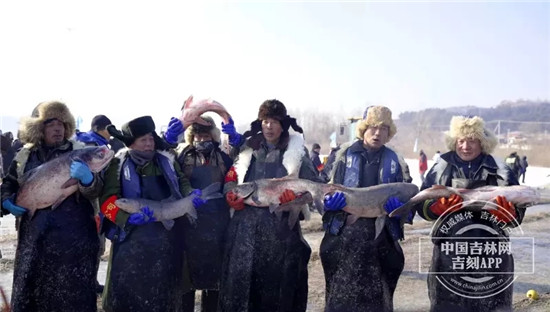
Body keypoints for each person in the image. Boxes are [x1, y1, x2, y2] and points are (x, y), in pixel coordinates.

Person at [415, 115, 525, 312]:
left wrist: (508, 214)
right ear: (454, 142)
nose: (466, 146)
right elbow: (421, 204)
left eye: (472, 140)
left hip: (492, 253)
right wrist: (435, 208)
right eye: (461, 140)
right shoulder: (441, 168)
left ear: (481, 143)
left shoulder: (501, 170)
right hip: (450, 252)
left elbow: (519, 211)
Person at [1, 101, 102, 311]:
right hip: (34, 241)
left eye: (62, 124)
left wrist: (87, 181)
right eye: (50, 124)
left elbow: (97, 191)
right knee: (34, 298)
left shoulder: (81, 152)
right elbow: (9, 184)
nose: (57, 129)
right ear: (38, 128)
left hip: (76, 242)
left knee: (73, 300)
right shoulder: (24, 156)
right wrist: (6, 200)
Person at [219, 99, 319, 311]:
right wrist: (231, 196)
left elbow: (314, 187)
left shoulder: (297, 150)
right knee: (241, 287)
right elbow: (231, 177)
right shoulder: (248, 148)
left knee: (279, 290)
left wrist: (295, 200)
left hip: (282, 232)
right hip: (244, 232)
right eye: (265, 121)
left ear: (283, 124)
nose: (269, 126)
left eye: (274, 121)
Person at [99, 115, 198, 311]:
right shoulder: (117, 165)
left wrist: (190, 195)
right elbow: (107, 203)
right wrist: (126, 218)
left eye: (151, 139)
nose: (149, 144)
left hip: (166, 242)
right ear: (132, 144)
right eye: (143, 140)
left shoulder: (166, 162)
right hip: (131, 242)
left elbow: (181, 181)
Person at [319, 105, 412, 312]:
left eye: (384, 129)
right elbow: (319, 187)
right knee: (340, 300)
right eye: (373, 127)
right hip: (343, 237)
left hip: (381, 241)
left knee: (378, 300)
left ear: (389, 133)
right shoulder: (340, 156)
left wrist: (402, 209)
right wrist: (327, 203)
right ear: (363, 129)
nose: (378, 133)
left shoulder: (397, 162)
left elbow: (412, 204)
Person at [175, 115, 233, 312]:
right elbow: (174, 180)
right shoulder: (182, 156)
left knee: (214, 282)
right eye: (197, 136)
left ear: (213, 136)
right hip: (189, 225)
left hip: (217, 226)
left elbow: (232, 183)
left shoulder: (224, 157)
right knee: (186, 282)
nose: (201, 139)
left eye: (206, 135)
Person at [74, 114, 115, 294]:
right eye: (109, 129)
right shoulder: (94, 146)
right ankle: (88, 281)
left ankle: (89, 280)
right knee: (94, 243)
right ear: (101, 128)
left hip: (87, 199)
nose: (110, 133)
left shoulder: (83, 141)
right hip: (92, 200)